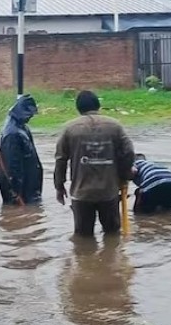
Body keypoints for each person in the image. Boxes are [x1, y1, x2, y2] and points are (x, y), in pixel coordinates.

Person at [54, 90, 135, 237]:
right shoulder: (115, 126)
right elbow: (129, 152)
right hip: (109, 191)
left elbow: (61, 159)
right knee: (112, 235)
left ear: (78, 108)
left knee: (83, 237)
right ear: (98, 105)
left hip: (82, 193)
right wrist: (124, 175)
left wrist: (59, 186)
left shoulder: (69, 129)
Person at [0, 94, 43, 205]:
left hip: (30, 186)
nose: (30, 117)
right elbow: (11, 166)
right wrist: (16, 192)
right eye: (29, 114)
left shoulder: (22, 128)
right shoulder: (12, 134)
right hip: (22, 190)